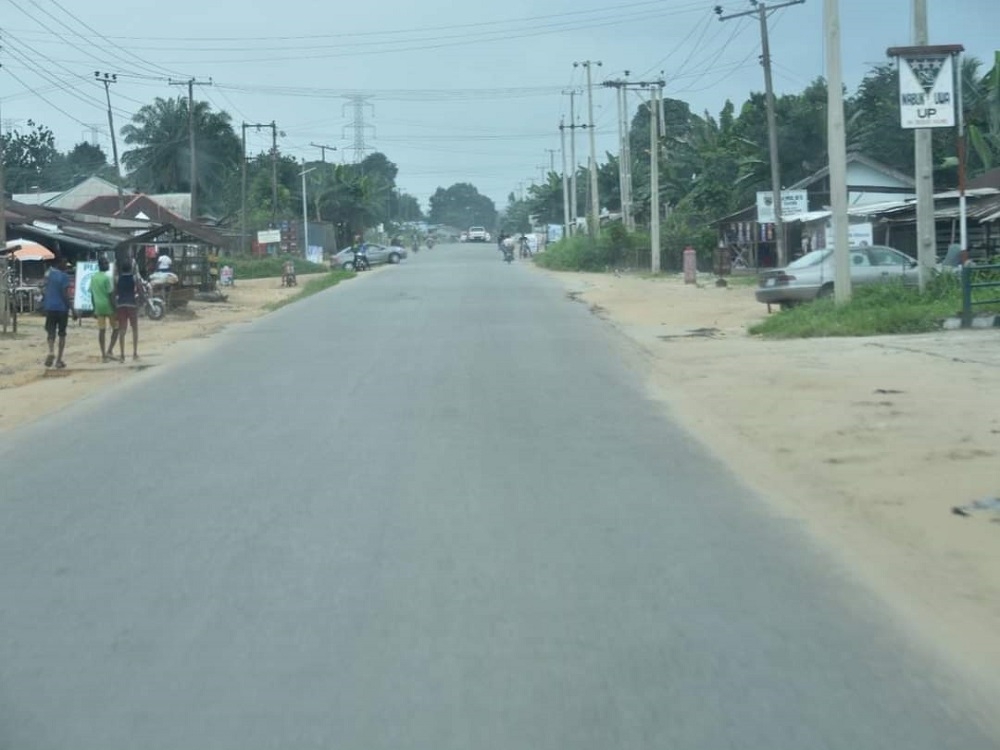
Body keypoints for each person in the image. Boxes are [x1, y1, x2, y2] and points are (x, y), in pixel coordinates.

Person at [41, 257, 71, 369]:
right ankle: (59, 360)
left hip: (50, 307)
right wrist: (71, 307)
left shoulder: (49, 275)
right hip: (62, 309)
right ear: (60, 264)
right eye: (65, 264)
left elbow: (44, 288)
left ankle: (51, 351)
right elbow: (65, 294)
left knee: (50, 332)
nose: (66, 267)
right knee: (62, 334)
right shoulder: (64, 277)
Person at [89, 257, 118, 362]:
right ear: (101, 265)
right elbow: (111, 295)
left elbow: (91, 294)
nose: (107, 265)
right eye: (105, 263)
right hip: (108, 307)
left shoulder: (93, 277)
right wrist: (116, 309)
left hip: (98, 307)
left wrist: (93, 308)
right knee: (116, 328)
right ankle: (109, 350)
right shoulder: (107, 278)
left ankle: (103, 355)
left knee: (102, 331)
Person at [114, 257, 140, 362]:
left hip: (121, 305)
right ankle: (134, 353)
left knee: (122, 330)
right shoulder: (134, 278)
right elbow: (139, 289)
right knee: (134, 329)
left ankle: (122, 355)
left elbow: (115, 291)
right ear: (131, 268)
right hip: (131, 304)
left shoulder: (117, 278)